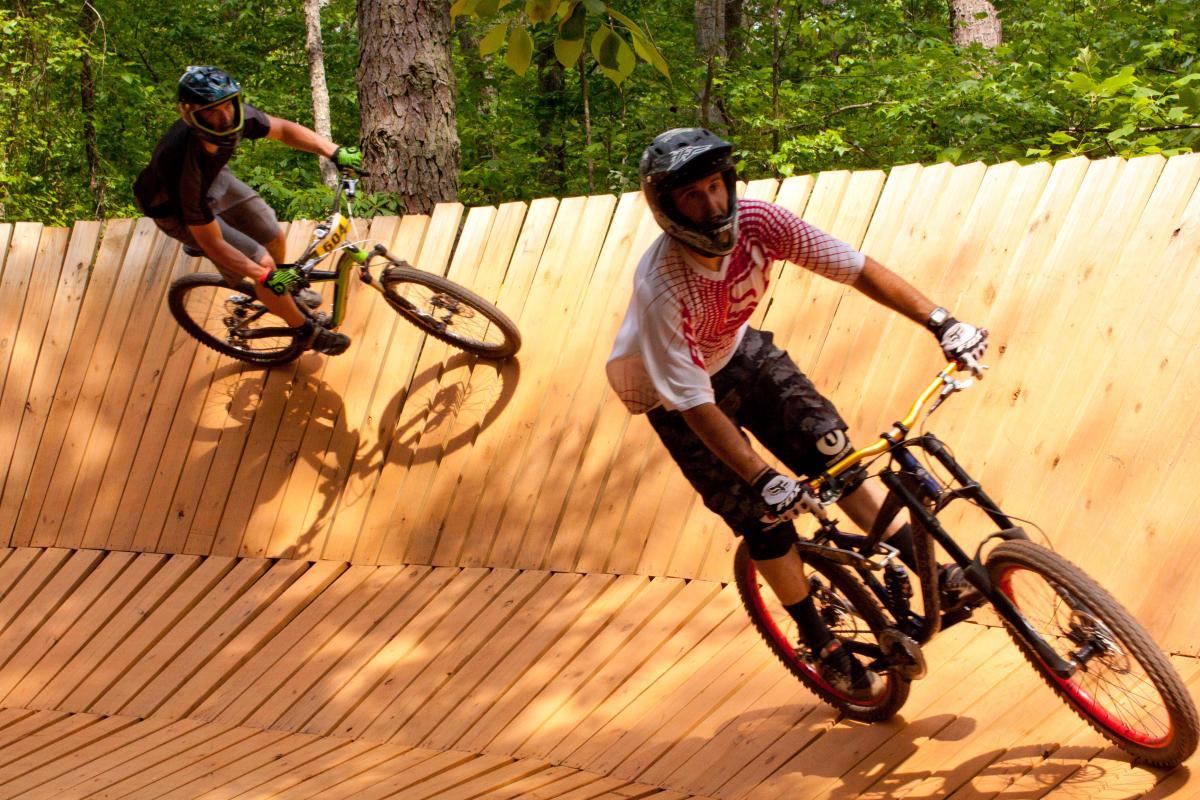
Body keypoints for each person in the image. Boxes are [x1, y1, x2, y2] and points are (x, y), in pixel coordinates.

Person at [606, 128, 988, 702]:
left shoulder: (760, 221)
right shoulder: (662, 285)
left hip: (736, 349)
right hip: (673, 394)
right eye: (692, 196)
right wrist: (765, 477)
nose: (712, 206)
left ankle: (930, 573)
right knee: (764, 516)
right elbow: (693, 402)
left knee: (837, 456)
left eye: (716, 186)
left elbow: (857, 269)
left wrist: (942, 321)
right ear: (668, 208)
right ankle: (817, 637)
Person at [134, 65, 362, 355]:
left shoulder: (235, 115)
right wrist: (264, 277)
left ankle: (284, 290)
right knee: (264, 265)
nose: (225, 116)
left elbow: (282, 130)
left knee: (272, 231)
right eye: (212, 111)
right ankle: (305, 331)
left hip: (215, 179)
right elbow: (212, 241)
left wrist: (333, 150)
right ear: (189, 114)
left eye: (227, 105)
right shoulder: (180, 162)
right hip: (175, 208)